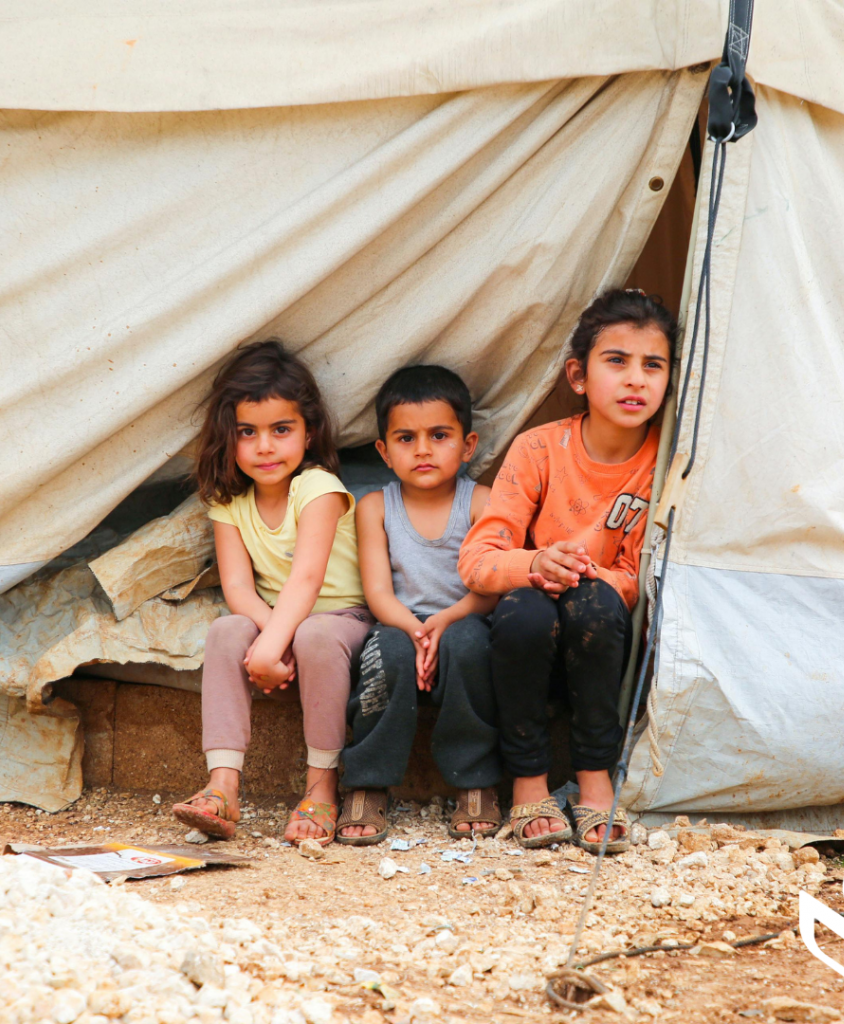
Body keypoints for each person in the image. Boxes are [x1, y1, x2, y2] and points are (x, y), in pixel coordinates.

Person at [458, 289, 675, 853]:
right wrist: (536, 562)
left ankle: (595, 778)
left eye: (653, 365)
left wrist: (587, 573)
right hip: (527, 640)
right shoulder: (539, 449)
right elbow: (477, 560)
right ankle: (528, 781)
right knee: (525, 609)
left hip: (601, 640)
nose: (636, 379)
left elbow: (638, 576)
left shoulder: (666, 465)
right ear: (578, 375)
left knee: (596, 601)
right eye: (617, 361)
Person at [172, 340, 371, 846]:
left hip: (340, 619)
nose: (265, 446)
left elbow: (306, 580)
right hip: (279, 623)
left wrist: (275, 645)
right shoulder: (229, 501)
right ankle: (222, 786)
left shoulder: (318, 488)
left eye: (281, 430)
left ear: (309, 432)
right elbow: (238, 586)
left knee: (316, 635)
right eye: (248, 432)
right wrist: (271, 640)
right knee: (226, 629)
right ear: (228, 436)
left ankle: (321, 788)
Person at [337, 366, 502, 845]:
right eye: (406, 438)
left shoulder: (481, 502)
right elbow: (378, 594)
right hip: (398, 623)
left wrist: (445, 622)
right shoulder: (375, 507)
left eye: (439, 435)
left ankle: (476, 781)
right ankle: (367, 781)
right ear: (384, 452)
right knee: (385, 653)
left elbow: (491, 586)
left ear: (468, 446)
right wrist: (415, 631)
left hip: (465, 617)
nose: (423, 449)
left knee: (470, 645)